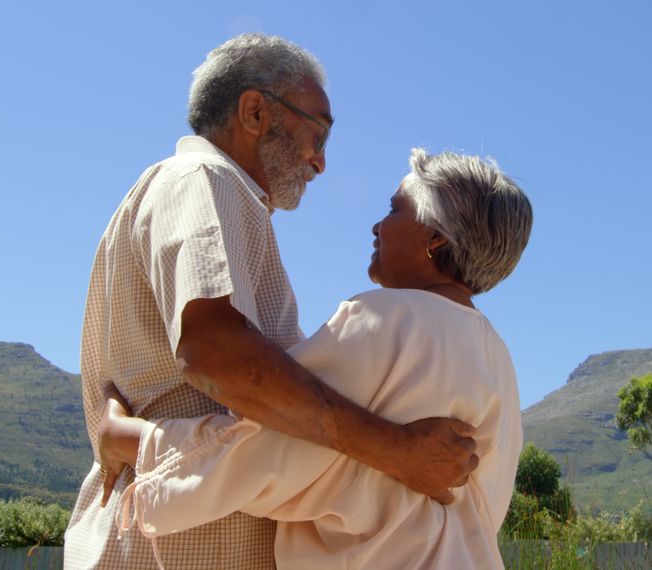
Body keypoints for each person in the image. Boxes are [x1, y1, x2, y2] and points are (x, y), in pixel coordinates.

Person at [64, 35, 478, 569]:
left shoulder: (229, 202)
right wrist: (398, 451)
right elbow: (216, 352)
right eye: (319, 133)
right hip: (174, 546)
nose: (322, 162)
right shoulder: (204, 181)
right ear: (255, 111)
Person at [100, 148, 534, 569]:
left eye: (394, 209)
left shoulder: (386, 320)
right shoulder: (497, 358)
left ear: (434, 236)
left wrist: (129, 439)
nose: (377, 226)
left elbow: (271, 453)